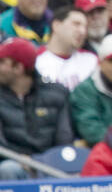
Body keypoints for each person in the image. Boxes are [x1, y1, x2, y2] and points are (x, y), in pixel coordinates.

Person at [0, 37, 74, 179]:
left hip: (49, 164)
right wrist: (21, 159)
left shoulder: (56, 94)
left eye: (2, 62)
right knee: (8, 169)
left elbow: (64, 139)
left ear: (19, 68)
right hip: (13, 162)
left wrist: (39, 161)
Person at [36, 6, 96, 91]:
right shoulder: (36, 60)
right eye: (76, 24)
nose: (82, 31)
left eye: (85, 27)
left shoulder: (92, 60)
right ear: (56, 25)